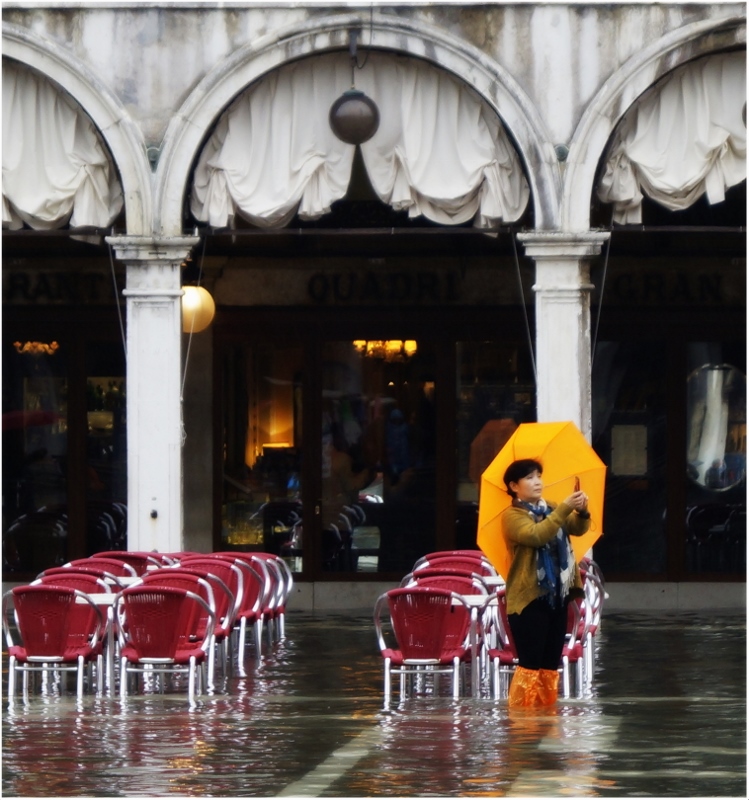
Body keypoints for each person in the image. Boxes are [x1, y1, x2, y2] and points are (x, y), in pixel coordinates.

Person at [501, 458, 590, 707]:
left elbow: (577, 527)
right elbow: (536, 535)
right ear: (514, 486)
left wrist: (582, 510)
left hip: (556, 595)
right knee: (530, 664)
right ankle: (521, 724)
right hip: (529, 598)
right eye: (529, 477)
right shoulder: (512, 516)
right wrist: (563, 508)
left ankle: (544, 716)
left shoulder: (550, 508)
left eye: (538, 475)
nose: (537, 481)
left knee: (550, 664)